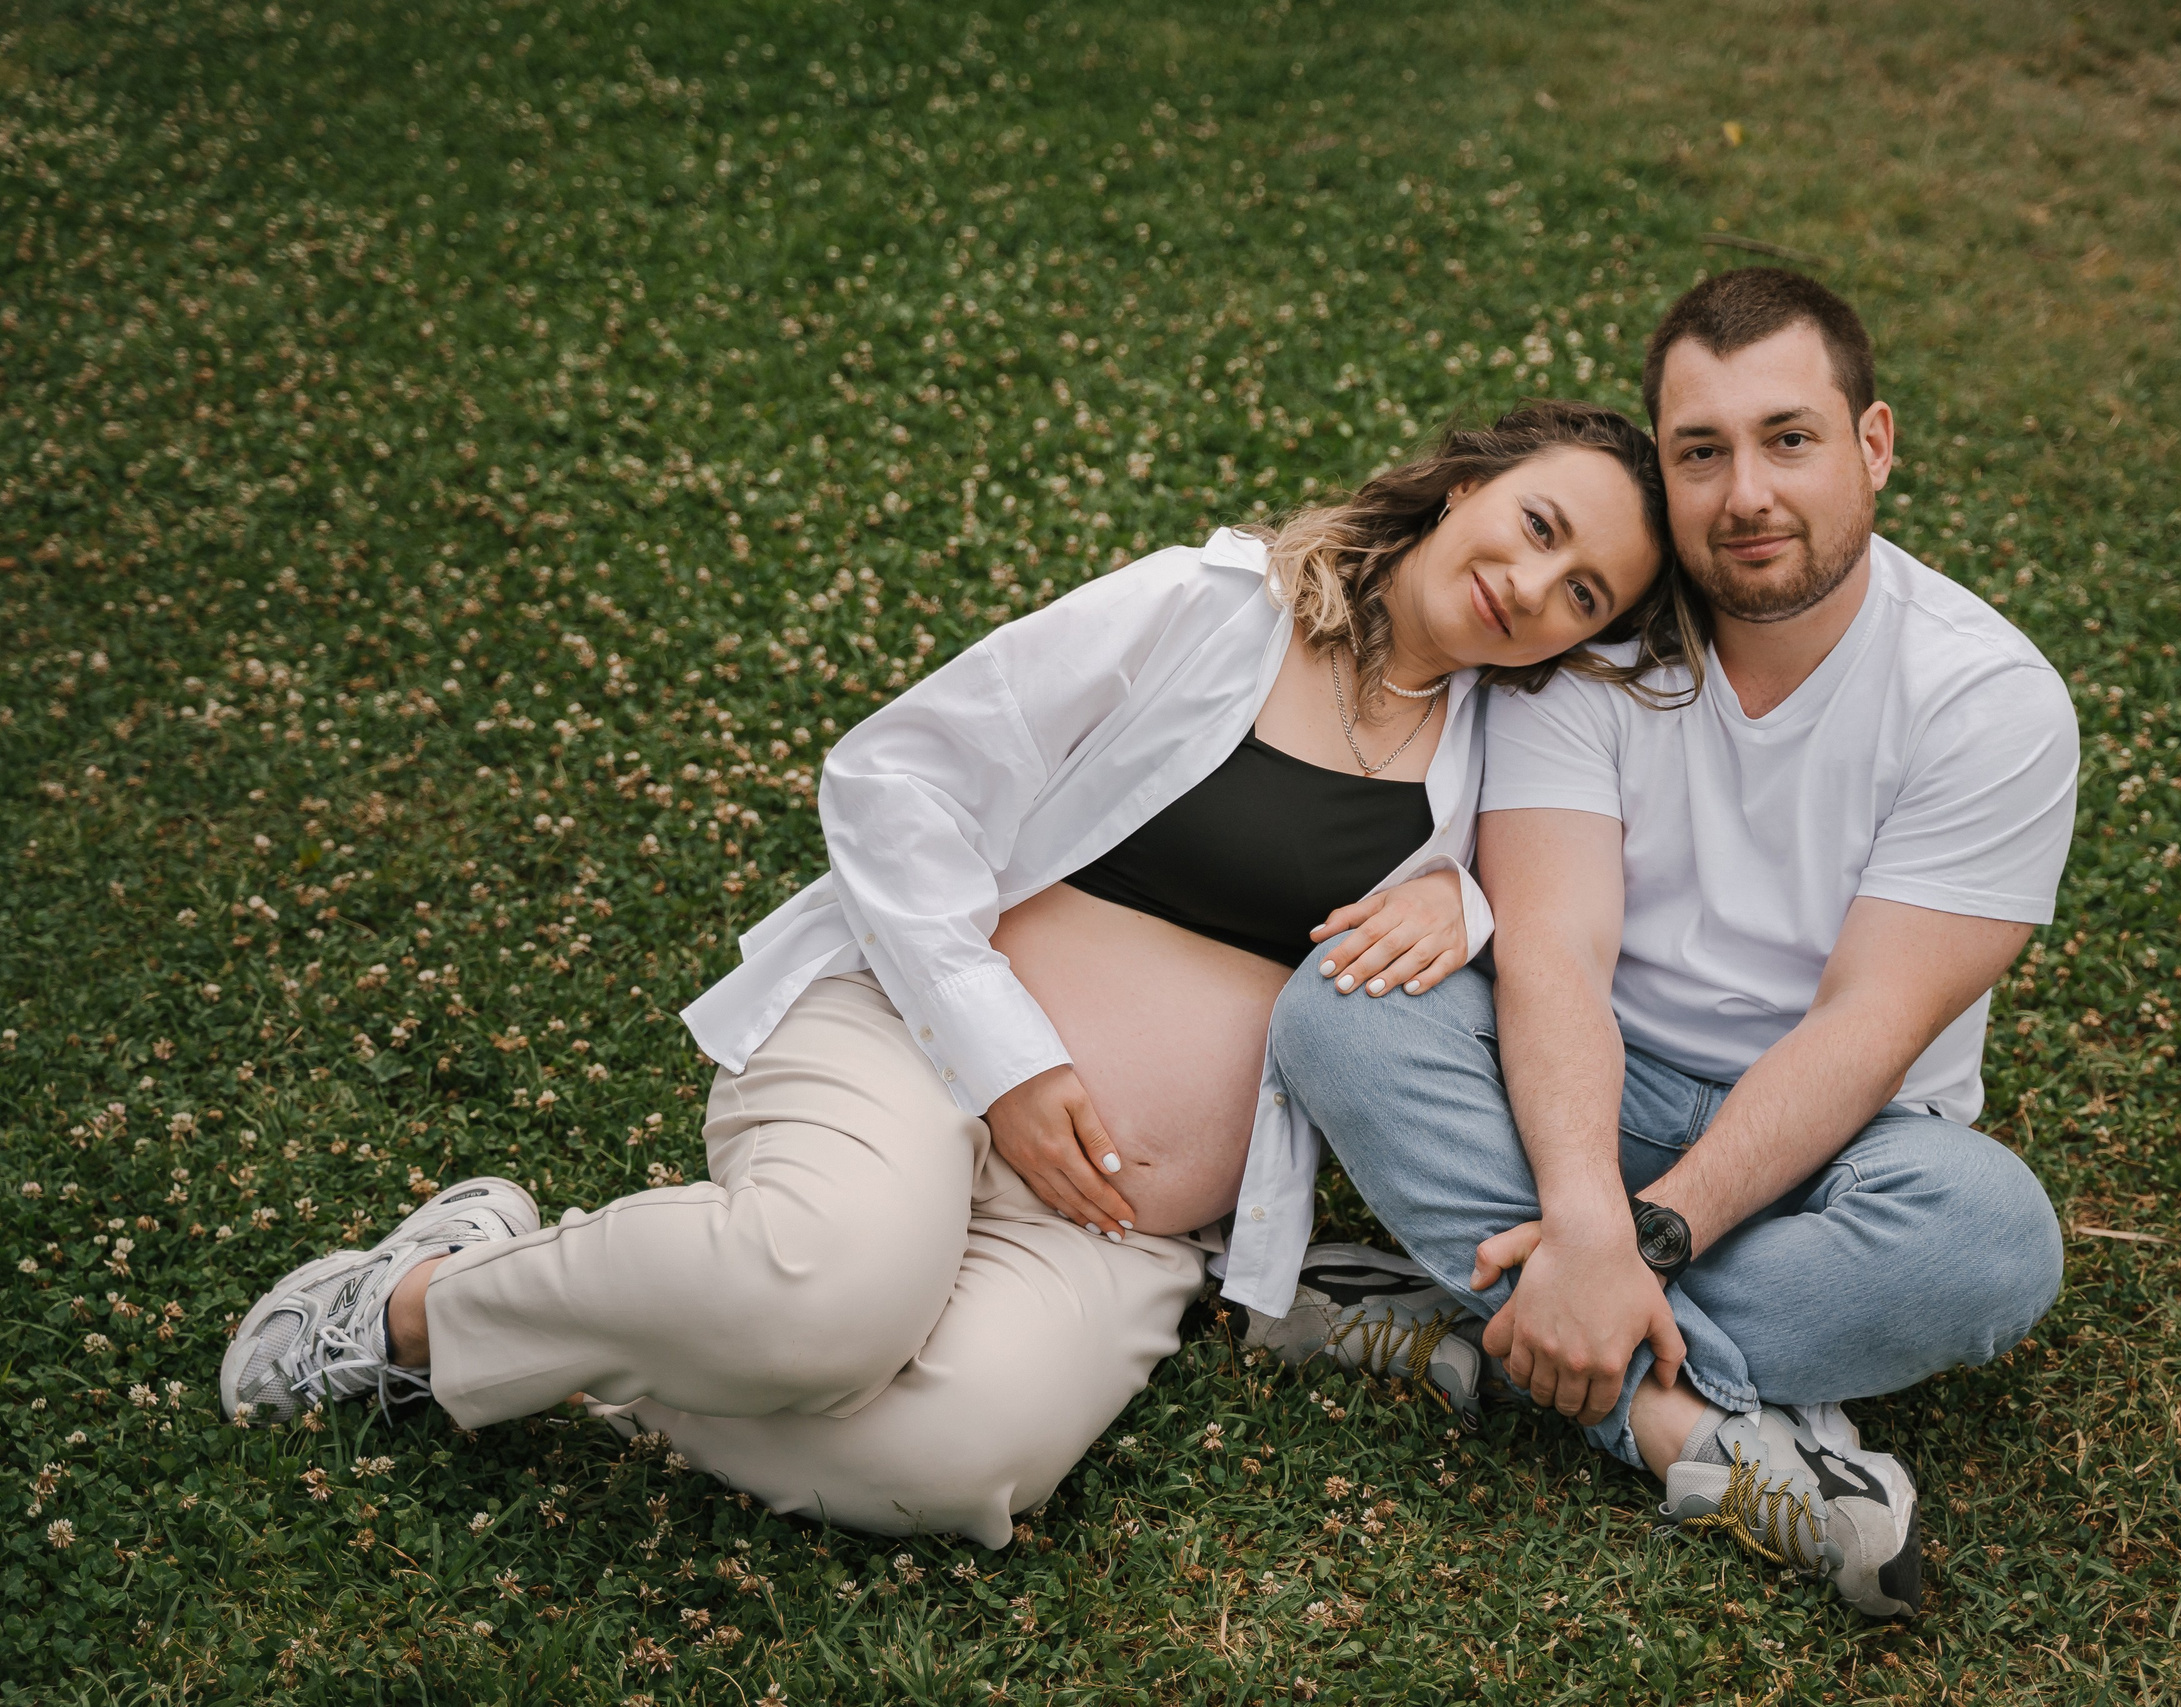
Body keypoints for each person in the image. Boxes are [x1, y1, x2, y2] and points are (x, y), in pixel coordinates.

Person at [219, 401, 1675, 1546]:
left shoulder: (1504, 763)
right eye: (1537, 524)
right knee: (824, 1304)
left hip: (1113, 1228)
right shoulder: (1207, 609)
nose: (1533, 582)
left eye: (1583, 590)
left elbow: (1548, 916)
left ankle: (627, 1323)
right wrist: (1011, 1062)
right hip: (921, 1057)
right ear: (1465, 482)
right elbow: (892, 778)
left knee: (955, 1464)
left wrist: (1466, 907)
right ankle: (421, 1308)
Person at [1270, 270, 2080, 1619]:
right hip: (1590, 1083)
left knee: (1991, 1239)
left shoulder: (1989, 702)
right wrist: (1585, 1211)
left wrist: (1634, 1248)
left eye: (1790, 439)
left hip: (1843, 1143)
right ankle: (1696, 1439)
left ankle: (1477, 1329)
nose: (1747, 494)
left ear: (1873, 446)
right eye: (1702, 453)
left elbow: (1867, 1029)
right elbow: (1556, 957)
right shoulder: (1591, 650)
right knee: (1341, 1007)